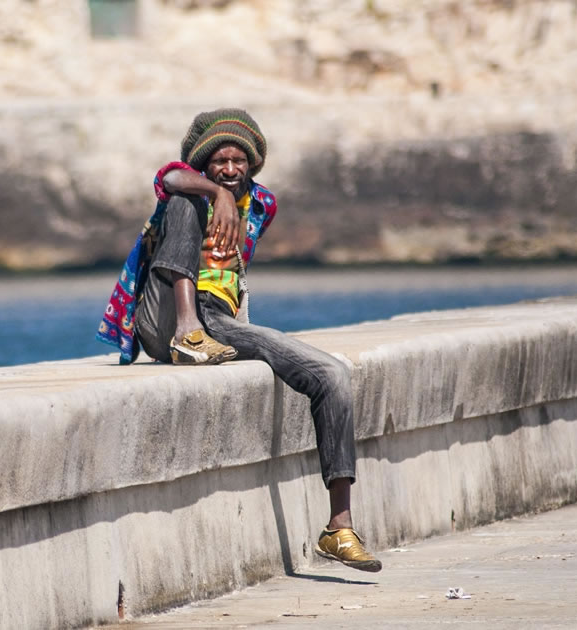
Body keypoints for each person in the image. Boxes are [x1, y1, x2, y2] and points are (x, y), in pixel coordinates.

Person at [97, 108, 382, 572]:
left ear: (251, 164)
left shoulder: (263, 203)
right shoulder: (187, 189)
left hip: (220, 320)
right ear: (204, 163)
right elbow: (168, 177)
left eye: (238, 162)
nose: (229, 170)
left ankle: (339, 527)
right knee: (184, 206)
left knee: (331, 375)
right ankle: (187, 333)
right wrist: (215, 196)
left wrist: (231, 202)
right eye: (219, 162)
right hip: (164, 314)